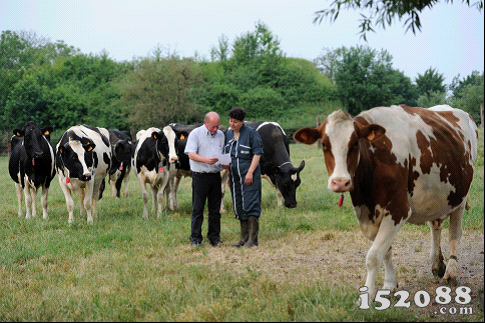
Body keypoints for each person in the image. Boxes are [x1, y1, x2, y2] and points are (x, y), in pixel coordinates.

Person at [184, 112, 228, 247]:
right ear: (205, 123)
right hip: (200, 176)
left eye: (217, 126)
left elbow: (223, 153)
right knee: (198, 208)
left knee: (215, 209)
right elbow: (190, 154)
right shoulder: (196, 134)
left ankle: (214, 237)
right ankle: (195, 238)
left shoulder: (221, 135)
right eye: (212, 127)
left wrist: (224, 162)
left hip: (215, 176)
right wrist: (206, 160)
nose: (215, 129)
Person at [224, 107, 264, 248]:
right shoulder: (228, 135)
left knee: (251, 203)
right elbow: (227, 155)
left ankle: (253, 240)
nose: (232, 124)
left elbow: (257, 153)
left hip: (248, 175)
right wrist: (228, 171)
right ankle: (243, 238)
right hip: (235, 176)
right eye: (230, 121)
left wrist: (250, 172)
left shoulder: (252, 134)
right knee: (239, 204)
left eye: (235, 122)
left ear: (242, 121)